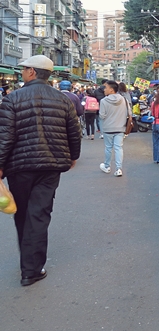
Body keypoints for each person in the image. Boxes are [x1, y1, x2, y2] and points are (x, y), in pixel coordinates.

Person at [0, 55, 81, 286]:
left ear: (32, 72)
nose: (22, 72)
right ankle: (32, 270)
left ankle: (28, 265)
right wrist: (73, 156)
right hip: (50, 166)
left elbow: (5, 136)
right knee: (39, 214)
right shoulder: (62, 99)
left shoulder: (12, 98)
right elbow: (74, 131)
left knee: (22, 213)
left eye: (24, 69)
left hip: (19, 167)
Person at [99, 80, 129, 177]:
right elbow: (129, 113)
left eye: (106, 87)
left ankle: (107, 166)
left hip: (108, 128)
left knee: (108, 148)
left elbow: (102, 116)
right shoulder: (124, 99)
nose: (104, 89)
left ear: (111, 90)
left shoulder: (103, 101)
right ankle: (119, 169)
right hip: (120, 128)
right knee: (118, 148)